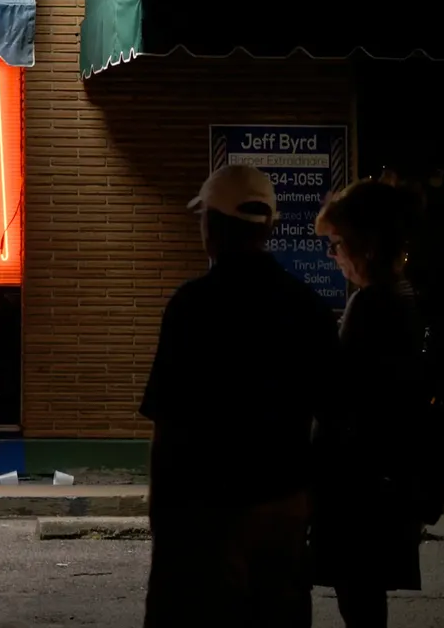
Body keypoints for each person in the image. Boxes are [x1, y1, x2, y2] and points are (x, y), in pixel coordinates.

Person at [141, 165, 340, 628]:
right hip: (282, 511)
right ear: (268, 227)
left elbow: (167, 423)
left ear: (210, 227)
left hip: (202, 515)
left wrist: (160, 518)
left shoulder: (191, 307)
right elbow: (331, 416)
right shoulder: (309, 308)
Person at [312, 179, 434, 628]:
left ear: (364, 244)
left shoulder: (370, 306)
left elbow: (340, 396)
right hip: (387, 482)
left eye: (337, 243)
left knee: (359, 598)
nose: (333, 254)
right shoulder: (401, 297)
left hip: (360, 490)